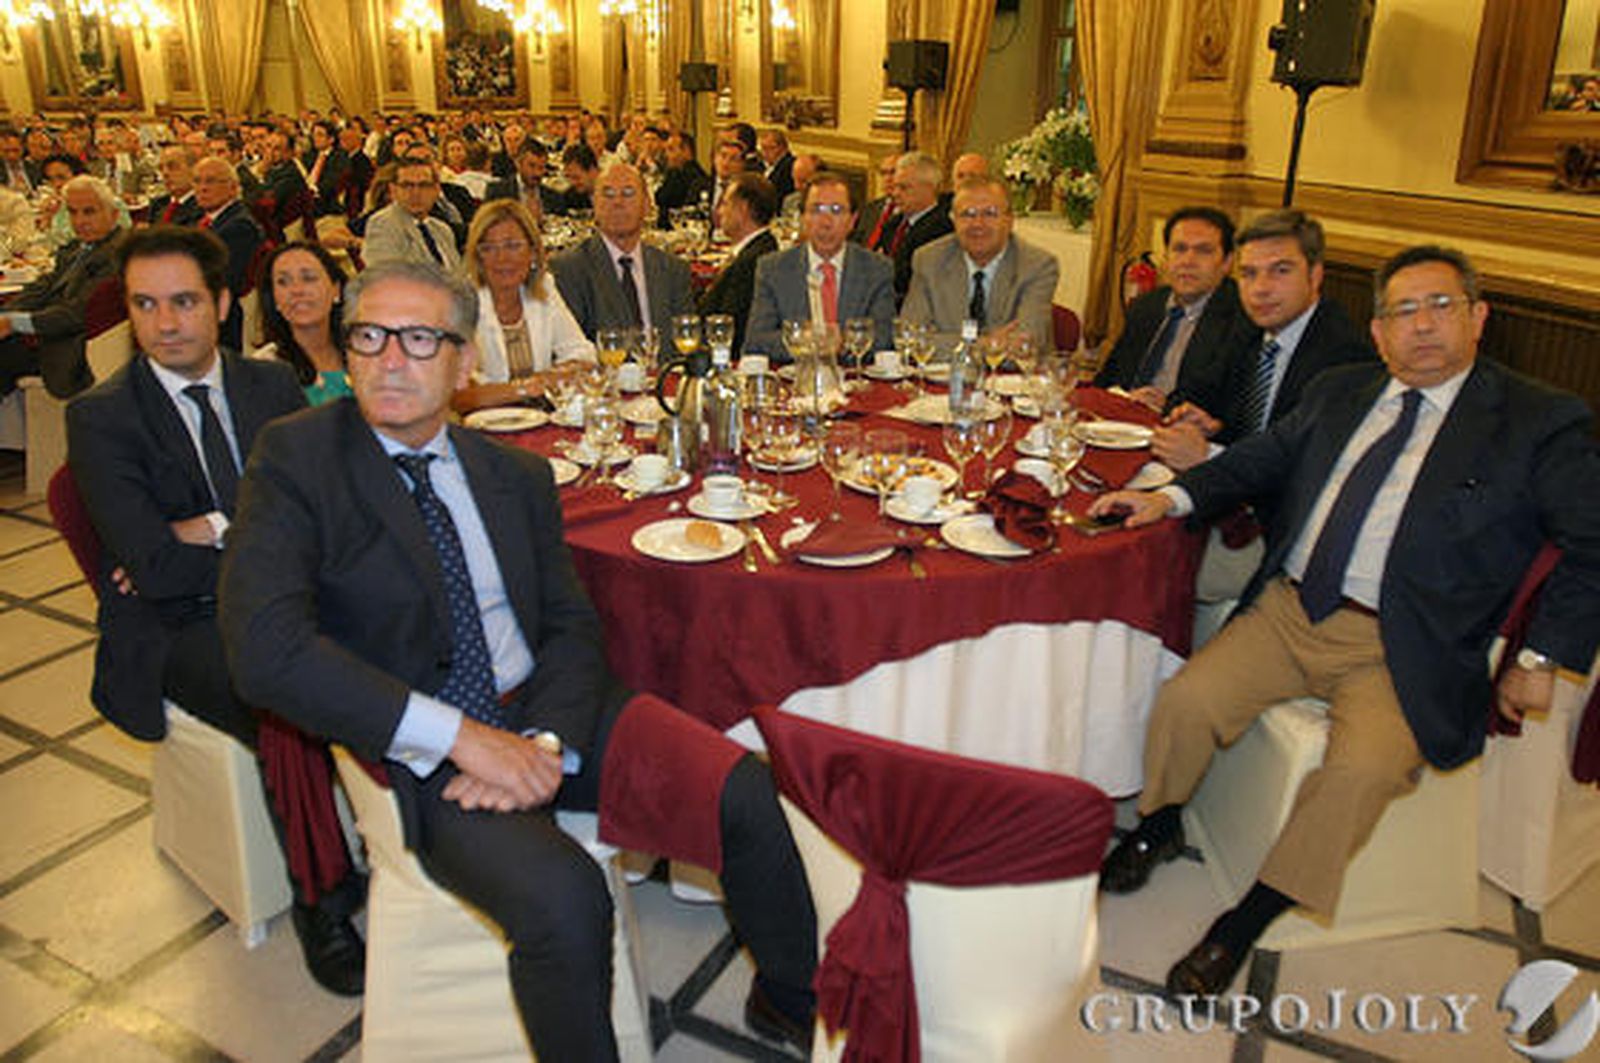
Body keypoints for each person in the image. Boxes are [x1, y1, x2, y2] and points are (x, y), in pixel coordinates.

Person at [217, 259, 819, 1058]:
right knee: (566, 897)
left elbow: (569, 624)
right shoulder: (297, 458)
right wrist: (464, 739)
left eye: (419, 339)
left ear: (465, 361)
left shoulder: (515, 472)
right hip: (421, 747)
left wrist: (543, 742)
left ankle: (789, 998)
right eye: (369, 337)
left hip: (547, 707)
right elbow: (265, 651)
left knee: (747, 791)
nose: (390, 360)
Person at [1089, 244, 1600, 998]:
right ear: (1379, 332)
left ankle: (1248, 917)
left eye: (1441, 306)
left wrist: (1539, 658)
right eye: (1403, 311)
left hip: (1404, 645)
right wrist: (1169, 498)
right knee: (1185, 701)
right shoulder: (1340, 390)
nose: (1422, 325)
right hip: (1290, 609)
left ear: (1478, 317)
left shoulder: (1536, 420)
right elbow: (1258, 459)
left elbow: (1591, 545)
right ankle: (1160, 825)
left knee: (1362, 772)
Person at [65, 225, 366, 996]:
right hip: (181, 623)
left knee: (412, 622)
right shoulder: (104, 416)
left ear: (224, 303)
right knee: (284, 695)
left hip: (283, 590)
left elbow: (318, 509)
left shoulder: (270, 384)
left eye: (184, 302)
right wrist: (246, 529)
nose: (166, 323)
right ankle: (324, 902)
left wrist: (206, 525)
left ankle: (409, 835)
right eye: (145, 305)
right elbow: (158, 570)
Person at [1153, 209, 1376, 473]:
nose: (1260, 289)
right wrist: (1201, 420)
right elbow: (1191, 393)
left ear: (1315, 276)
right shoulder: (1250, 328)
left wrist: (1210, 456)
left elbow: (1305, 467)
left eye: (1280, 271)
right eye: (1249, 273)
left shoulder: (1345, 358)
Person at [1093, 206, 1258, 421]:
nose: (1188, 261)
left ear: (1227, 262)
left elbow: (1227, 406)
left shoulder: (1243, 317)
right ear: (1166, 257)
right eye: (1179, 249)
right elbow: (1107, 379)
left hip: (1181, 430)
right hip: (1121, 423)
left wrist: (1167, 406)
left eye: (1203, 251)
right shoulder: (1146, 306)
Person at [0, 175, 128, 399]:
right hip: (48, 331)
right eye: (72, 212)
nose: (79, 221)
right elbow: (40, 289)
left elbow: (77, 313)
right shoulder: (76, 248)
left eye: (89, 212)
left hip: (72, 346)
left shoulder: (117, 253)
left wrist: (14, 322)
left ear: (114, 214)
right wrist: (5, 316)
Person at [744, 172, 896, 359]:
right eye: (816, 210)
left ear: (852, 220)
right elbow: (756, 340)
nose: (826, 222)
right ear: (803, 218)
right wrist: (804, 340)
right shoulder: (773, 269)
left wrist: (843, 341)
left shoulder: (877, 270)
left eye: (836, 210)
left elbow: (886, 338)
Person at [900, 176, 1058, 346]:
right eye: (968, 214)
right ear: (953, 220)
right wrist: (986, 343)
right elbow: (911, 337)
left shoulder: (1036, 266)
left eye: (990, 213)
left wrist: (946, 342)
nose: (978, 224)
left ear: (1009, 220)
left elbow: (1025, 344)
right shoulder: (929, 260)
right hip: (949, 366)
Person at [549, 162, 694, 339]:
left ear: (647, 205)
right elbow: (570, 346)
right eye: (608, 194)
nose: (617, 202)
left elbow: (687, 340)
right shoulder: (569, 269)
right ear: (594, 204)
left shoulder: (673, 270)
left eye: (628, 193)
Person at [461, 198, 594, 385]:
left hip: (539, 403)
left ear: (533, 251)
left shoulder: (544, 288)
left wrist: (543, 379)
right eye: (488, 248)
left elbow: (582, 354)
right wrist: (528, 388)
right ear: (478, 257)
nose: (502, 258)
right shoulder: (462, 301)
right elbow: (463, 384)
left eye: (513, 246)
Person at [257, 240, 352, 405]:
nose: (297, 291)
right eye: (283, 282)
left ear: (336, 289)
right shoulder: (265, 367)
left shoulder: (365, 351)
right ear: (274, 299)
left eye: (309, 278)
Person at [698, 173, 779, 354]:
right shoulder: (758, 248)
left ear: (743, 209)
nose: (719, 212)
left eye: (725, 204)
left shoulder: (752, 262)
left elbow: (727, 326)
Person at [191, 157, 264, 352]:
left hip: (219, 324)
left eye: (211, 181)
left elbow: (219, 283)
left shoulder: (239, 227)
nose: (202, 188)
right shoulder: (209, 219)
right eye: (197, 181)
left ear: (233, 188)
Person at [876, 151, 952, 307]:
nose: (895, 194)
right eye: (895, 186)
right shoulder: (892, 225)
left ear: (929, 188)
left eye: (904, 188)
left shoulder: (941, 230)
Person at [362, 156, 460, 270]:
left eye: (423, 185)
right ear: (393, 190)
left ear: (436, 190)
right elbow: (387, 275)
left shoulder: (443, 230)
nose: (415, 193)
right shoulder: (382, 224)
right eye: (406, 185)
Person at [483, 141, 562, 218]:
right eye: (532, 166)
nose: (537, 173)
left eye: (541, 167)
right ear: (518, 164)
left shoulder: (553, 197)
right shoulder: (498, 192)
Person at [654, 130, 712, 227]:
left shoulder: (695, 178)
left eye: (671, 149)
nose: (666, 155)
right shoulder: (674, 172)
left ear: (686, 151)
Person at [148, 145, 201, 226]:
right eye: (161, 168)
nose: (165, 173)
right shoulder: (158, 204)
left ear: (194, 169)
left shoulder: (202, 206)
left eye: (173, 166)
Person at [756, 127, 795, 203]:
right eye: (763, 148)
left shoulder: (789, 166)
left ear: (783, 148)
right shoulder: (761, 165)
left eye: (771, 148)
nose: (765, 152)